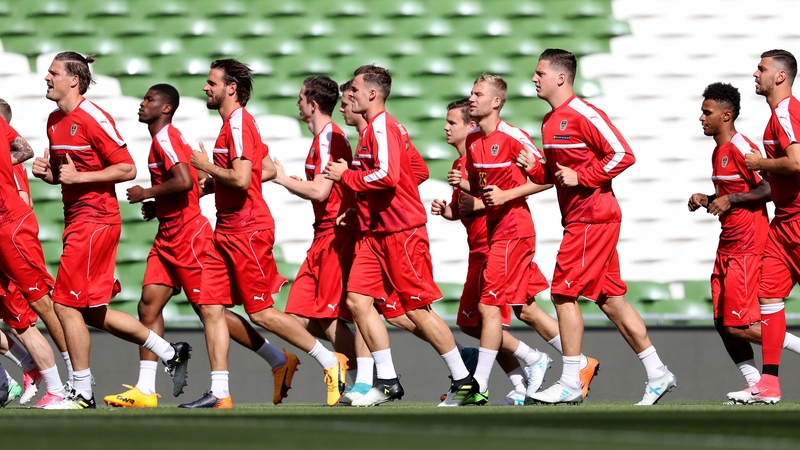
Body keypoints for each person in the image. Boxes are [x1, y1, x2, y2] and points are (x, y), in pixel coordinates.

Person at [105, 84, 299, 408]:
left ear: (165, 108)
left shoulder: (167, 137)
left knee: (211, 310)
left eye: (149, 100)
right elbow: (188, 185)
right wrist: (160, 206)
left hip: (188, 237)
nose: (141, 104)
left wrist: (147, 194)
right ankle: (144, 388)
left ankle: (277, 358)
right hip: (168, 234)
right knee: (148, 306)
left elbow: (184, 180)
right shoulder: (163, 138)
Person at [182, 59, 347, 409]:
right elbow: (266, 168)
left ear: (231, 88)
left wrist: (205, 167)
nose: (205, 88)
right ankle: (220, 392)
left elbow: (242, 179)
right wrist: (206, 187)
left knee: (261, 312)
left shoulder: (239, 123)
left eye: (211, 82)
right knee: (209, 307)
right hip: (226, 227)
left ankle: (332, 361)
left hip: (247, 229)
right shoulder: (233, 125)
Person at [31, 52, 192, 409]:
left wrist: (79, 177)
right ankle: (169, 351)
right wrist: (50, 174)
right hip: (76, 218)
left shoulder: (93, 118)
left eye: (53, 73)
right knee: (88, 311)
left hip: (96, 219)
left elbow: (126, 168)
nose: (46, 78)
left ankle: (82, 390)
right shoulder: (55, 120)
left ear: (74, 79)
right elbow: (70, 173)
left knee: (63, 303)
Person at [517, 49, 675, 406]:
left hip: (593, 217)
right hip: (580, 217)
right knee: (611, 300)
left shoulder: (584, 113)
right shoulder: (549, 120)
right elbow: (558, 175)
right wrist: (535, 167)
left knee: (562, 293)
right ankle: (658, 373)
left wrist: (583, 176)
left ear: (561, 77)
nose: (534, 78)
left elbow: (622, 153)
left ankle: (571, 379)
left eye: (540, 72)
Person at [325, 65, 473, 407]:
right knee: (358, 301)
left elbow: (388, 176)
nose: (350, 96)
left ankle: (464, 380)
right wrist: (371, 201)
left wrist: (348, 177)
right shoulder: (378, 130)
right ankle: (388, 381)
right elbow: (414, 171)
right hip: (378, 232)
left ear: (372, 94)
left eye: (355, 91)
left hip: (401, 232)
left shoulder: (381, 128)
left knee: (417, 309)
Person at [436, 97, 599, 405]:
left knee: (484, 316)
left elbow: (506, 192)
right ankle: (562, 367)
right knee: (524, 310)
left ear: (471, 124)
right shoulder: (467, 159)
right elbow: (477, 201)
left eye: (452, 122)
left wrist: (480, 201)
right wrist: (453, 211)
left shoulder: (500, 141)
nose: (446, 127)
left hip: (500, 241)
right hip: (493, 241)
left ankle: (508, 374)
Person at [689, 82, 800, 400]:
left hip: (749, 245)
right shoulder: (718, 151)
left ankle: (787, 355)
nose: (701, 117)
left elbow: (767, 189)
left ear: (727, 115)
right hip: (728, 244)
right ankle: (756, 384)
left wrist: (732, 199)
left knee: (738, 324)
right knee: (722, 322)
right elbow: (730, 196)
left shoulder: (741, 146)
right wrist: (708, 197)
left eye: (707, 112)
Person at [271, 76, 358, 382]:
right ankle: (352, 373)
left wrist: (282, 179)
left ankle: (363, 378)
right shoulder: (326, 137)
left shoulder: (328, 138)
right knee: (298, 314)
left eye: (301, 98)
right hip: (324, 232)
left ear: (313, 103)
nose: (298, 103)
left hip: (335, 234)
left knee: (327, 315)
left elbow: (320, 191)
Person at [730, 49, 800, 404]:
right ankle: (769, 384)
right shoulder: (777, 115)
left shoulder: (787, 110)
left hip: (799, 222)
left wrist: (761, 162)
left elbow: (797, 162)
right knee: (768, 297)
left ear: (780, 77)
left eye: (762, 69)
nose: (755, 74)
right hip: (784, 222)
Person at [0, 98, 68, 408]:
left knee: (41, 302)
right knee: (23, 318)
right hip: (7, 226)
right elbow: (23, 150)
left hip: (10, 227)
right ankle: (28, 370)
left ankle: (73, 381)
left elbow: (24, 159)